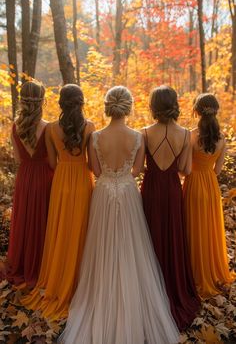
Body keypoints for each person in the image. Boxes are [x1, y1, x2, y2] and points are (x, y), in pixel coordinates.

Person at [59, 86, 179, 344]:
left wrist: (111, 178)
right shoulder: (137, 137)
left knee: (101, 247)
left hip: (103, 193)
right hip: (127, 193)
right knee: (130, 247)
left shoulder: (95, 137)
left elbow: (95, 169)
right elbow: (137, 170)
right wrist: (122, 177)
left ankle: (102, 296)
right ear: (128, 106)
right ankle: (130, 296)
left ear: (107, 106)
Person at [21, 84, 94, 320]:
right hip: (83, 181)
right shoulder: (91, 127)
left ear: (61, 103)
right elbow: (92, 163)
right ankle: (79, 280)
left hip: (61, 182)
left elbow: (52, 163)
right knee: (80, 230)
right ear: (81, 102)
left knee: (62, 228)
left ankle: (59, 276)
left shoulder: (52, 128)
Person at [141, 85, 200, 330]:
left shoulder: (144, 133)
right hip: (173, 191)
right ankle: (172, 287)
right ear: (174, 104)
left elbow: (141, 167)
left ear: (153, 106)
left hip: (152, 189)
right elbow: (186, 170)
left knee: (149, 235)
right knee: (172, 236)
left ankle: (149, 288)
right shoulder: (186, 134)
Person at [183, 93, 235, 298]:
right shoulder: (222, 138)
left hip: (194, 184)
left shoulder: (190, 135)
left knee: (193, 226)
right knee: (209, 228)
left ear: (196, 111)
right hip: (210, 186)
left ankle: (195, 272)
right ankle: (212, 270)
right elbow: (218, 170)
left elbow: (186, 169)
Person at [6, 80, 53, 288]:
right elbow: (53, 162)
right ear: (41, 100)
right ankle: (42, 265)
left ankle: (22, 264)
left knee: (25, 220)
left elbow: (18, 159)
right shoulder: (48, 128)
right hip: (45, 178)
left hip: (25, 177)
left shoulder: (16, 127)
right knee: (42, 220)